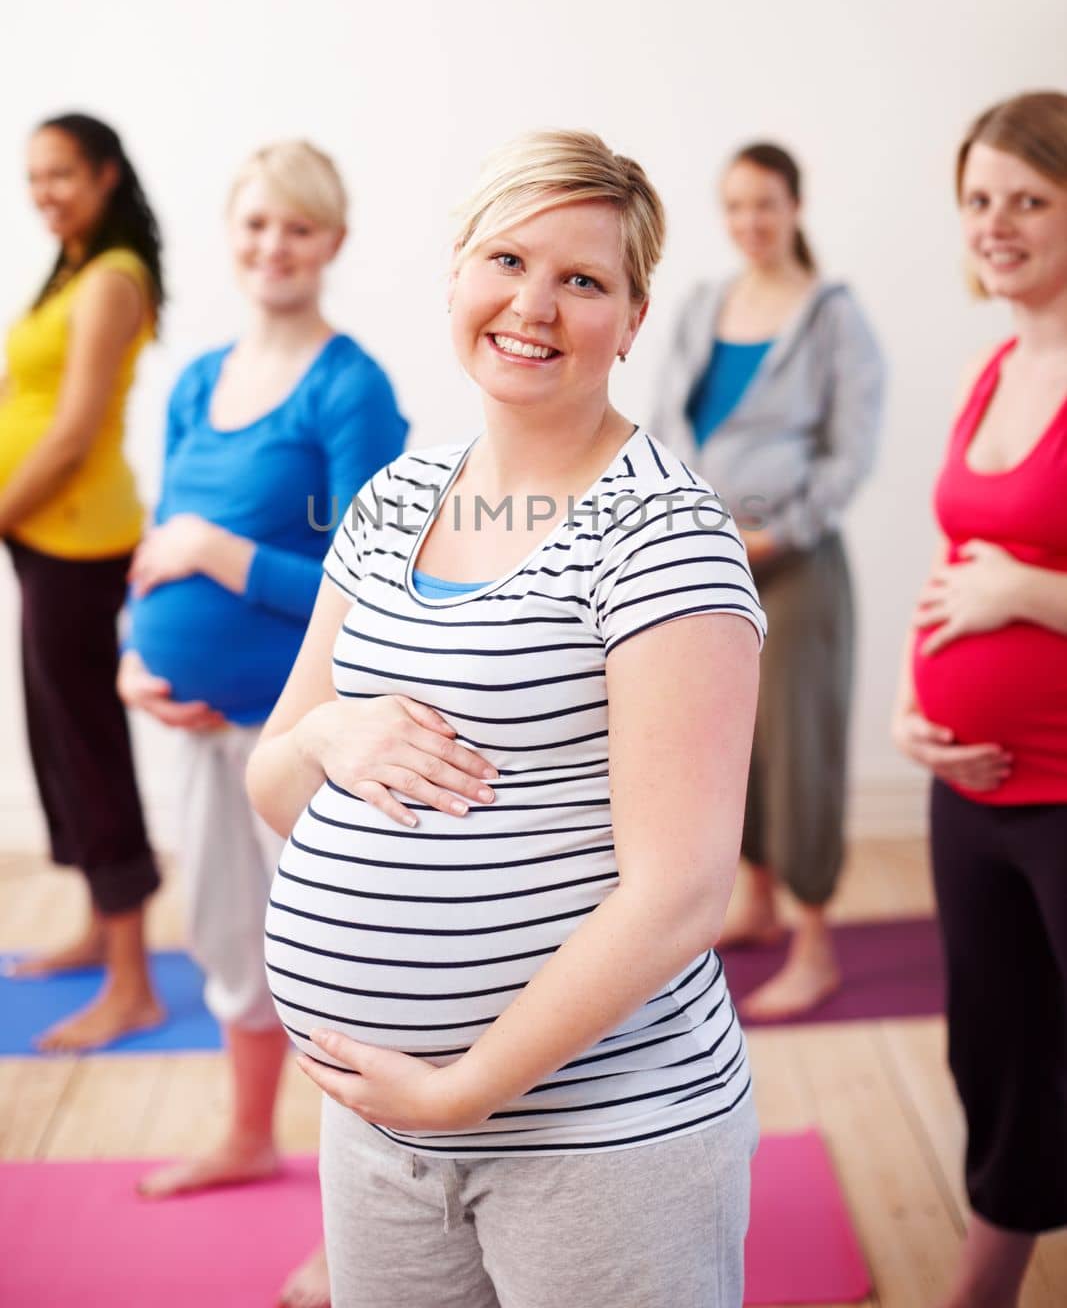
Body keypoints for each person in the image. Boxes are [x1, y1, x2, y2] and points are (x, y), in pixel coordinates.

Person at [247, 129, 767, 1308]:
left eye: (582, 280)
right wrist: (332, 735)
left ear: (631, 319)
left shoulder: (661, 535)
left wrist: (465, 1085)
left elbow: (682, 889)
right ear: (455, 274)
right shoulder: (390, 499)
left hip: (604, 1136)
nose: (532, 305)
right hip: (377, 1125)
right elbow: (273, 778)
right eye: (506, 260)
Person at [118, 141, 407, 1308]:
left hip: (304, 732)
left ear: (331, 242)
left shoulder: (351, 386)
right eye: (253, 227)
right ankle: (248, 1134)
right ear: (228, 238)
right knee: (230, 943)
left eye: (296, 228)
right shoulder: (196, 380)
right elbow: (155, 538)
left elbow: (371, 573)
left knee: (336, 970)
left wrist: (220, 555)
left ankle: (364, 1230)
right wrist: (141, 656)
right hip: (194, 721)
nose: (272, 248)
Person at [893, 92, 1067, 1308]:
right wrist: (916, 713)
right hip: (967, 787)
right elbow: (961, 568)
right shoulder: (990, 364)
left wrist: (1032, 592)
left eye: (1028, 200)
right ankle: (985, 1284)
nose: (996, 223)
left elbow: (1006, 577)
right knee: (991, 1053)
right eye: (977, 200)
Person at [651, 143, 884, 1020]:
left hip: (796, 570)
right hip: (708, 563)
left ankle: (814, 944)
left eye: (765, 205)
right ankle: (751, 902)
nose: (750, 223)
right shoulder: (706, 303)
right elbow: (672, 419)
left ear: (795, 206)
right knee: (730, 745)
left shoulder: (832, 316)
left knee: (799, 753)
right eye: (735, 207)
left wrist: (775, 534)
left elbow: (849, 454)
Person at [2, 112, 165, 1051]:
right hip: (40, 537)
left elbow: (69, 436)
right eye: (33, 176)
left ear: (106, 175)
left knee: (88, 746)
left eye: (61, 173)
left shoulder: (111, 279)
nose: (44, 192)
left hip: (75, 539)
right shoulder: (67, 270)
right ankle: (100, 934)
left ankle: (135, 983)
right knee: (55, 742)